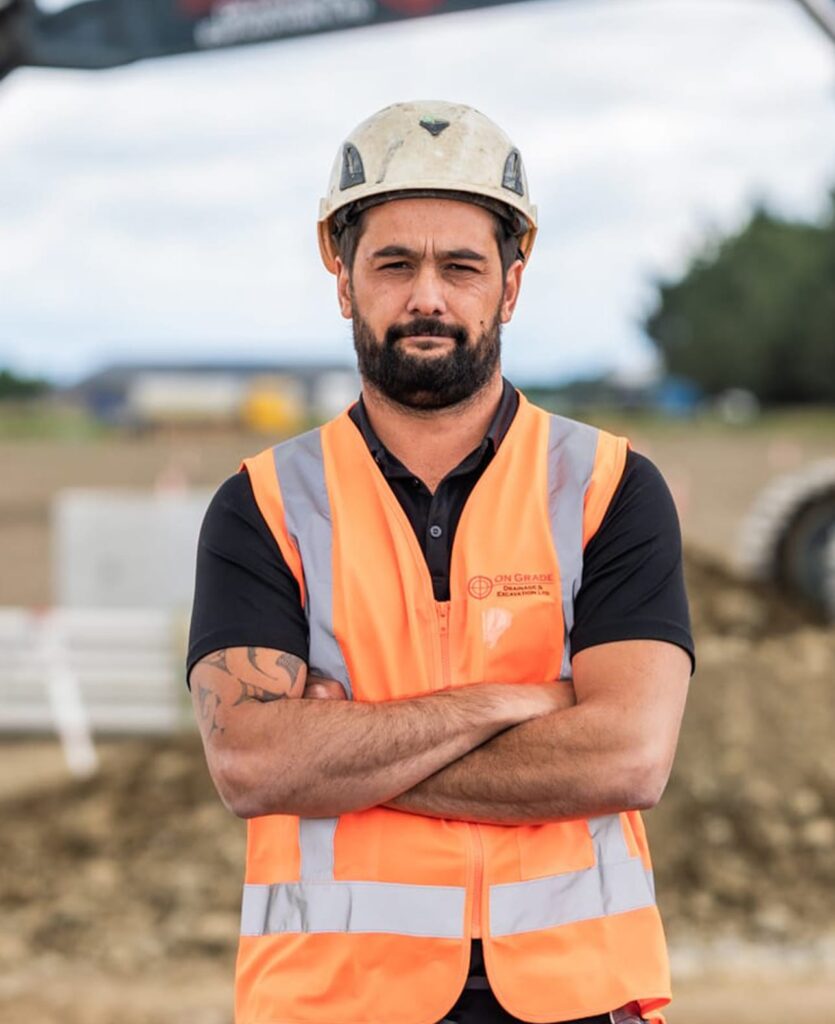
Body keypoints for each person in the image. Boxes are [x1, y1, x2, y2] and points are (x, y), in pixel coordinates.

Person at [187, 100, 694, 1024]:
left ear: (510, 284)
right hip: (336, 999)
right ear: (342, 279)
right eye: (392, 264)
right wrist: (517, 703)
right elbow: (254, 767)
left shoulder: (609, 487)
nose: (427, 296)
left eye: (461, 266)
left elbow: (627, 755)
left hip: (575, 995)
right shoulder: (262, 504)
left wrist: (342, 756)